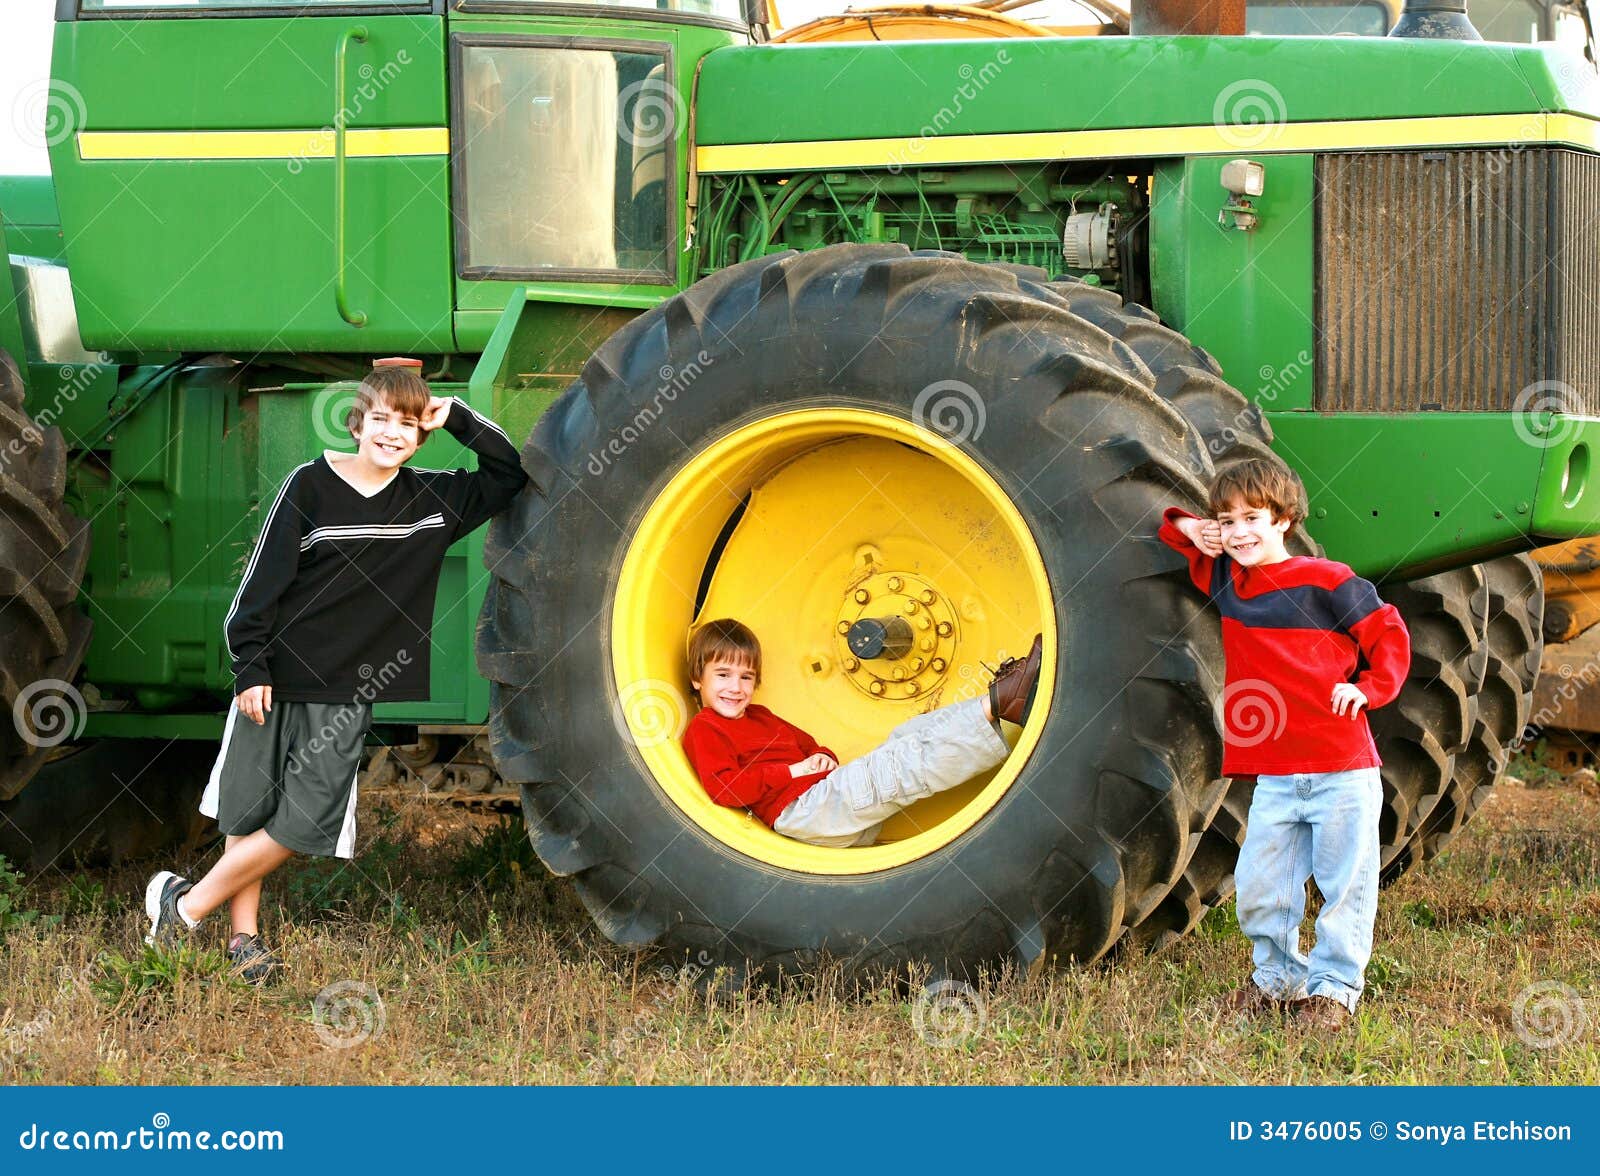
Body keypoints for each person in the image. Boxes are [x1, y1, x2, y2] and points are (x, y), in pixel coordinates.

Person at [142, 360, 529, 983]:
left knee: (305, 822)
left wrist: (455, 415)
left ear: (422, 433)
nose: (392, 433)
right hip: (277, 674)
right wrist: (249, 667)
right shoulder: (309, 486)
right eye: (381, 418)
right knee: (249, 810)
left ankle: (182, 906)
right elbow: (261, 585)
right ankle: (244, 942)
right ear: (358, 422)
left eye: (408, 423)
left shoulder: (433, 498)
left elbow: (509, 474)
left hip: (350, 690)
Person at [1159, 458, 1411, 1031]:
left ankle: (1334, 990)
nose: (1240, 530)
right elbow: (1170, 528)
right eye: (1228, 519)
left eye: (1253, 517)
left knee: (1344, 884)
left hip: (1342, 767)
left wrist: (1370, 688)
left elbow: (1388, 631)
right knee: (1259, 888)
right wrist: (1198, 529)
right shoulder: (1231, 582)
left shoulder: (1327, 580)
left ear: (1285, 519)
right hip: (1276, 774)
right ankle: (1277, 978)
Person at [680, 618, 1042, 849]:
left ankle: (998, 704)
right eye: (723, 675)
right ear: (698, 679)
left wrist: (824, 757)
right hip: (801, 811)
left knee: (907, 736)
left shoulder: (760, 716)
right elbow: (724, 788)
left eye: (746, 677)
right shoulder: (705, 728)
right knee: (898, 765)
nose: (735, 687)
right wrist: (792, 773)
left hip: (823, 799)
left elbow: (808, 745)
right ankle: (1003, 702)